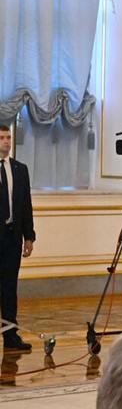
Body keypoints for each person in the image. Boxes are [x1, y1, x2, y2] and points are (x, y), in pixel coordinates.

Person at [0, 124, 36, 352]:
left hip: (12, 238)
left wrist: (29, 236)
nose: (6, 141)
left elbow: (26, 205)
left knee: (9, 288)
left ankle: (10, 336)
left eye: (8, 137)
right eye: (2, 138)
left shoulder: (20, 169)